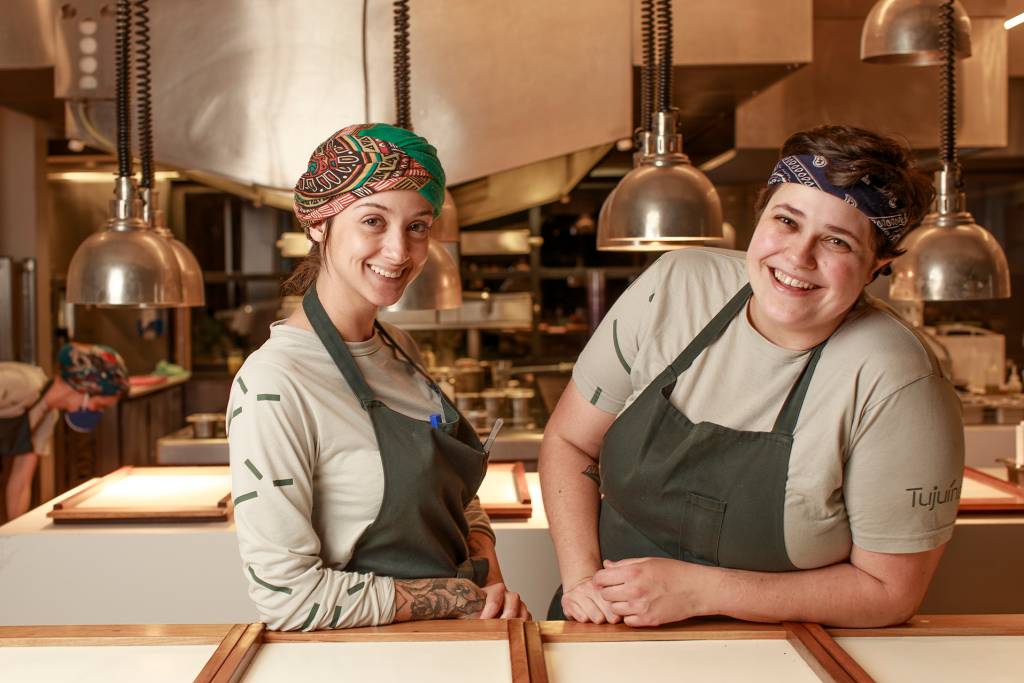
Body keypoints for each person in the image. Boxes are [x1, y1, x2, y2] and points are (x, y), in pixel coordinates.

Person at [539, 125, 963, 628]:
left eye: (837, 241)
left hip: (782, 654)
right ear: (759, 216)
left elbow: (889, 593)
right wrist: (583, 580)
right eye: (786, 221)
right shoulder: (676, 288)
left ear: (878, 264)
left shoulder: (897, 380)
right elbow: (569, 441)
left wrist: (703, 591)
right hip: (604, 625)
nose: (798, 258)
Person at [228, 123, 527, 631]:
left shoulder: (397, 347)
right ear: (319, 226)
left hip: (456, 644)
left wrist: (484, 560)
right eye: (373, 221)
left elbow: (451, 487)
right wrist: (458, 595)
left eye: (418, 226)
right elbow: (288, 599)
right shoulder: (274, 383)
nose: (399, 252)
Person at [0, 343, 128, 521]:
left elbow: (21, 482)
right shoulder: (22, 383)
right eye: (99, 405)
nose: (95, 411)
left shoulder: (47, 417)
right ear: (85, 387)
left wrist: (16, 532)